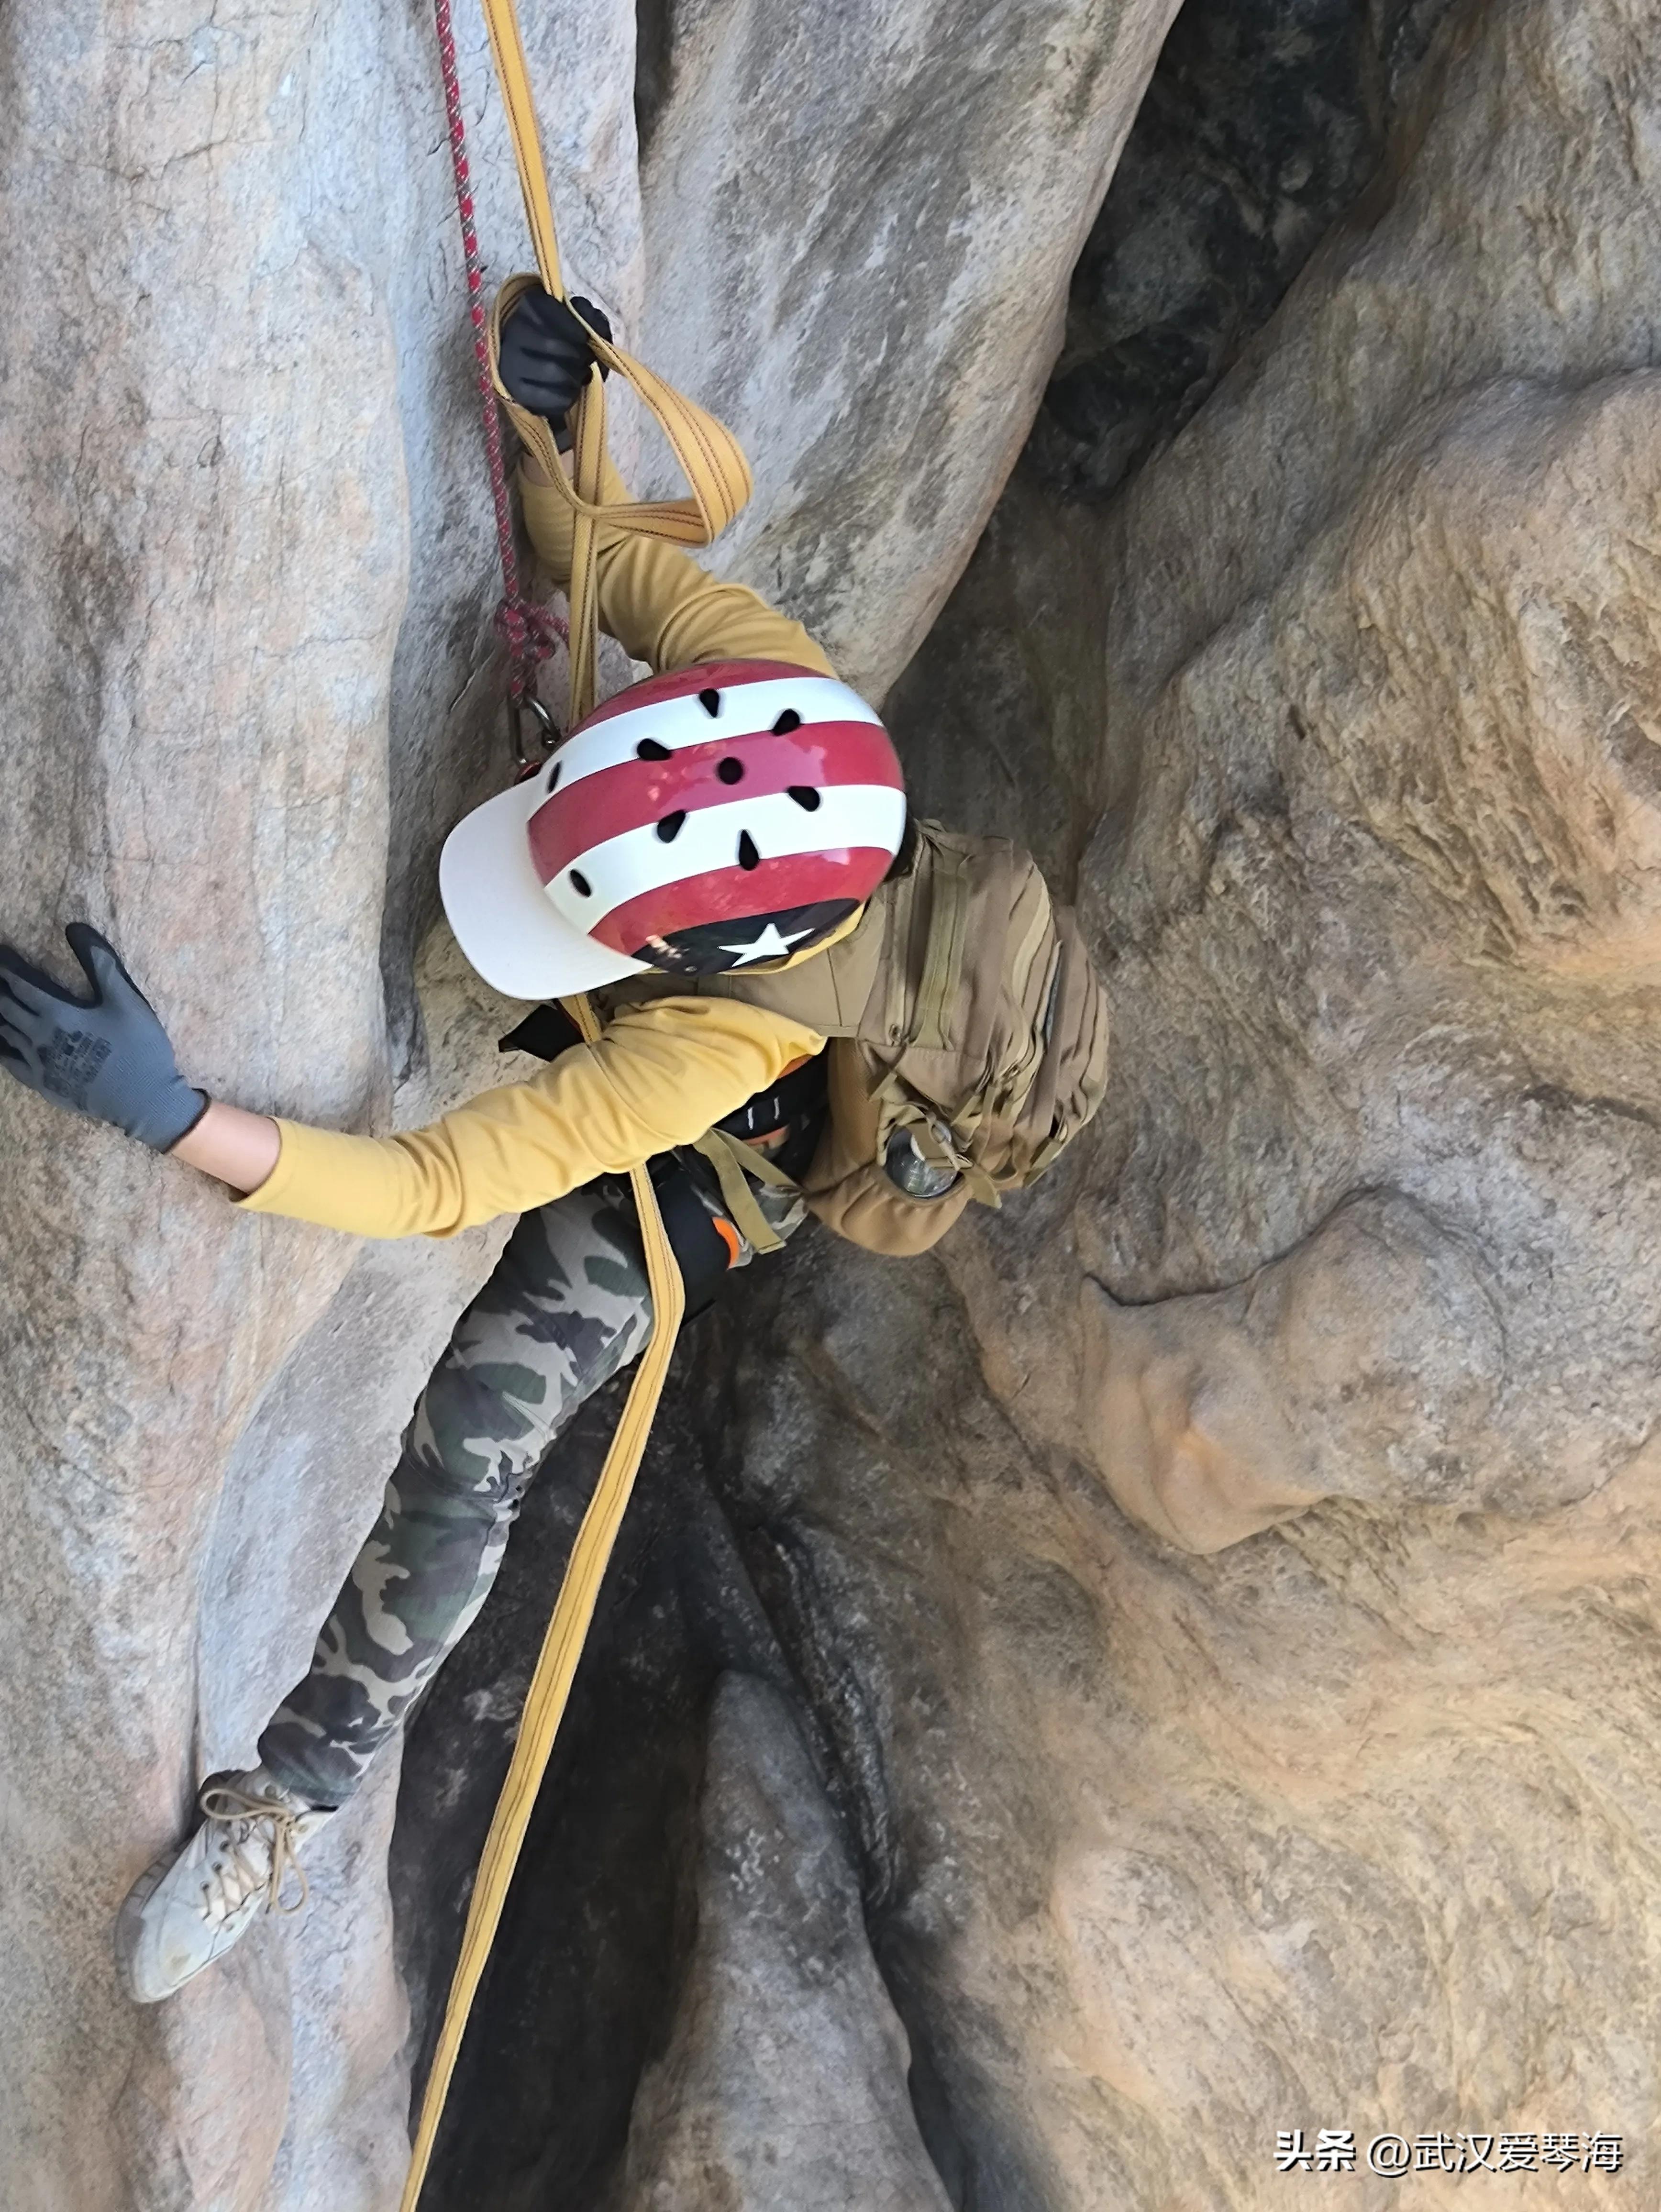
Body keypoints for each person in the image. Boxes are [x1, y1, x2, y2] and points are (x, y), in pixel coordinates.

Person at [0, 292, 1092, 2005]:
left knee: (484, 1427)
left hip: (725, 1171)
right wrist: (550, 421)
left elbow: (444, 1184)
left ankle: (287, 1807)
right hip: (719, 972)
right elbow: (606, 562)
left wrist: (183, 1120)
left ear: (694, 977)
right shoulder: (777, 685)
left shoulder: (720, 1050)